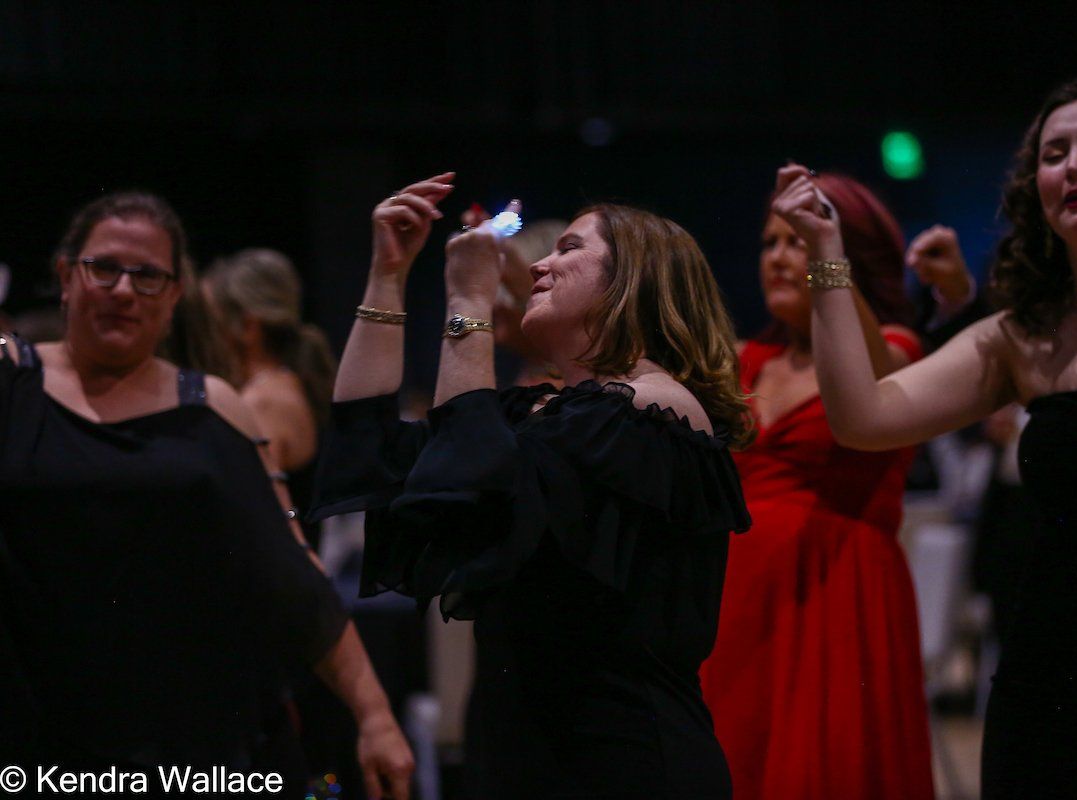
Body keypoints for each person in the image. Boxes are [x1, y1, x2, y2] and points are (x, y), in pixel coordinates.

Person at [781, 79, 1077, 798]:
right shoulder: (1020, 336)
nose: (1073, 165)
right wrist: (826, 255)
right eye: (1054, 153)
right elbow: (864, 418)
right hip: (1050, 672)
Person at [308, 172, 753, 798]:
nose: (539, 265)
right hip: (519, 753)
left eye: (569, 249)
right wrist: (387, 274)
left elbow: (470, 488)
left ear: (635, 280)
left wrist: (468, 302)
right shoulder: (536, 413)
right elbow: (371, 448)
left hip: (617, 763)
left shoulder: (654, 414)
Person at [0, 192, 413, 799]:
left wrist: (374, 715)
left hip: (195, 747)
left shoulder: (216, 409)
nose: (122, 289)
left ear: (173, 296)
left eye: (147, 276)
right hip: (38, 743)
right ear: (66, 276)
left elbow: (293, 575)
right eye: (103, 267)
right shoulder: (10, 386)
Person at [699, 174, 933, 799]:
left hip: (839, 592)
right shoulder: (745, 361)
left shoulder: (899, 349)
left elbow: (875, 380)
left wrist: (822, 245)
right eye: (770, 241)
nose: (777, 256)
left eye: (795, 241)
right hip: (741, 597)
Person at [203, 248, 336, 548]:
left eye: (209, 322)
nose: (202, 336)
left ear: (248, 328)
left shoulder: (263, 401)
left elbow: (257, 516)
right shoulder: (288, 382)